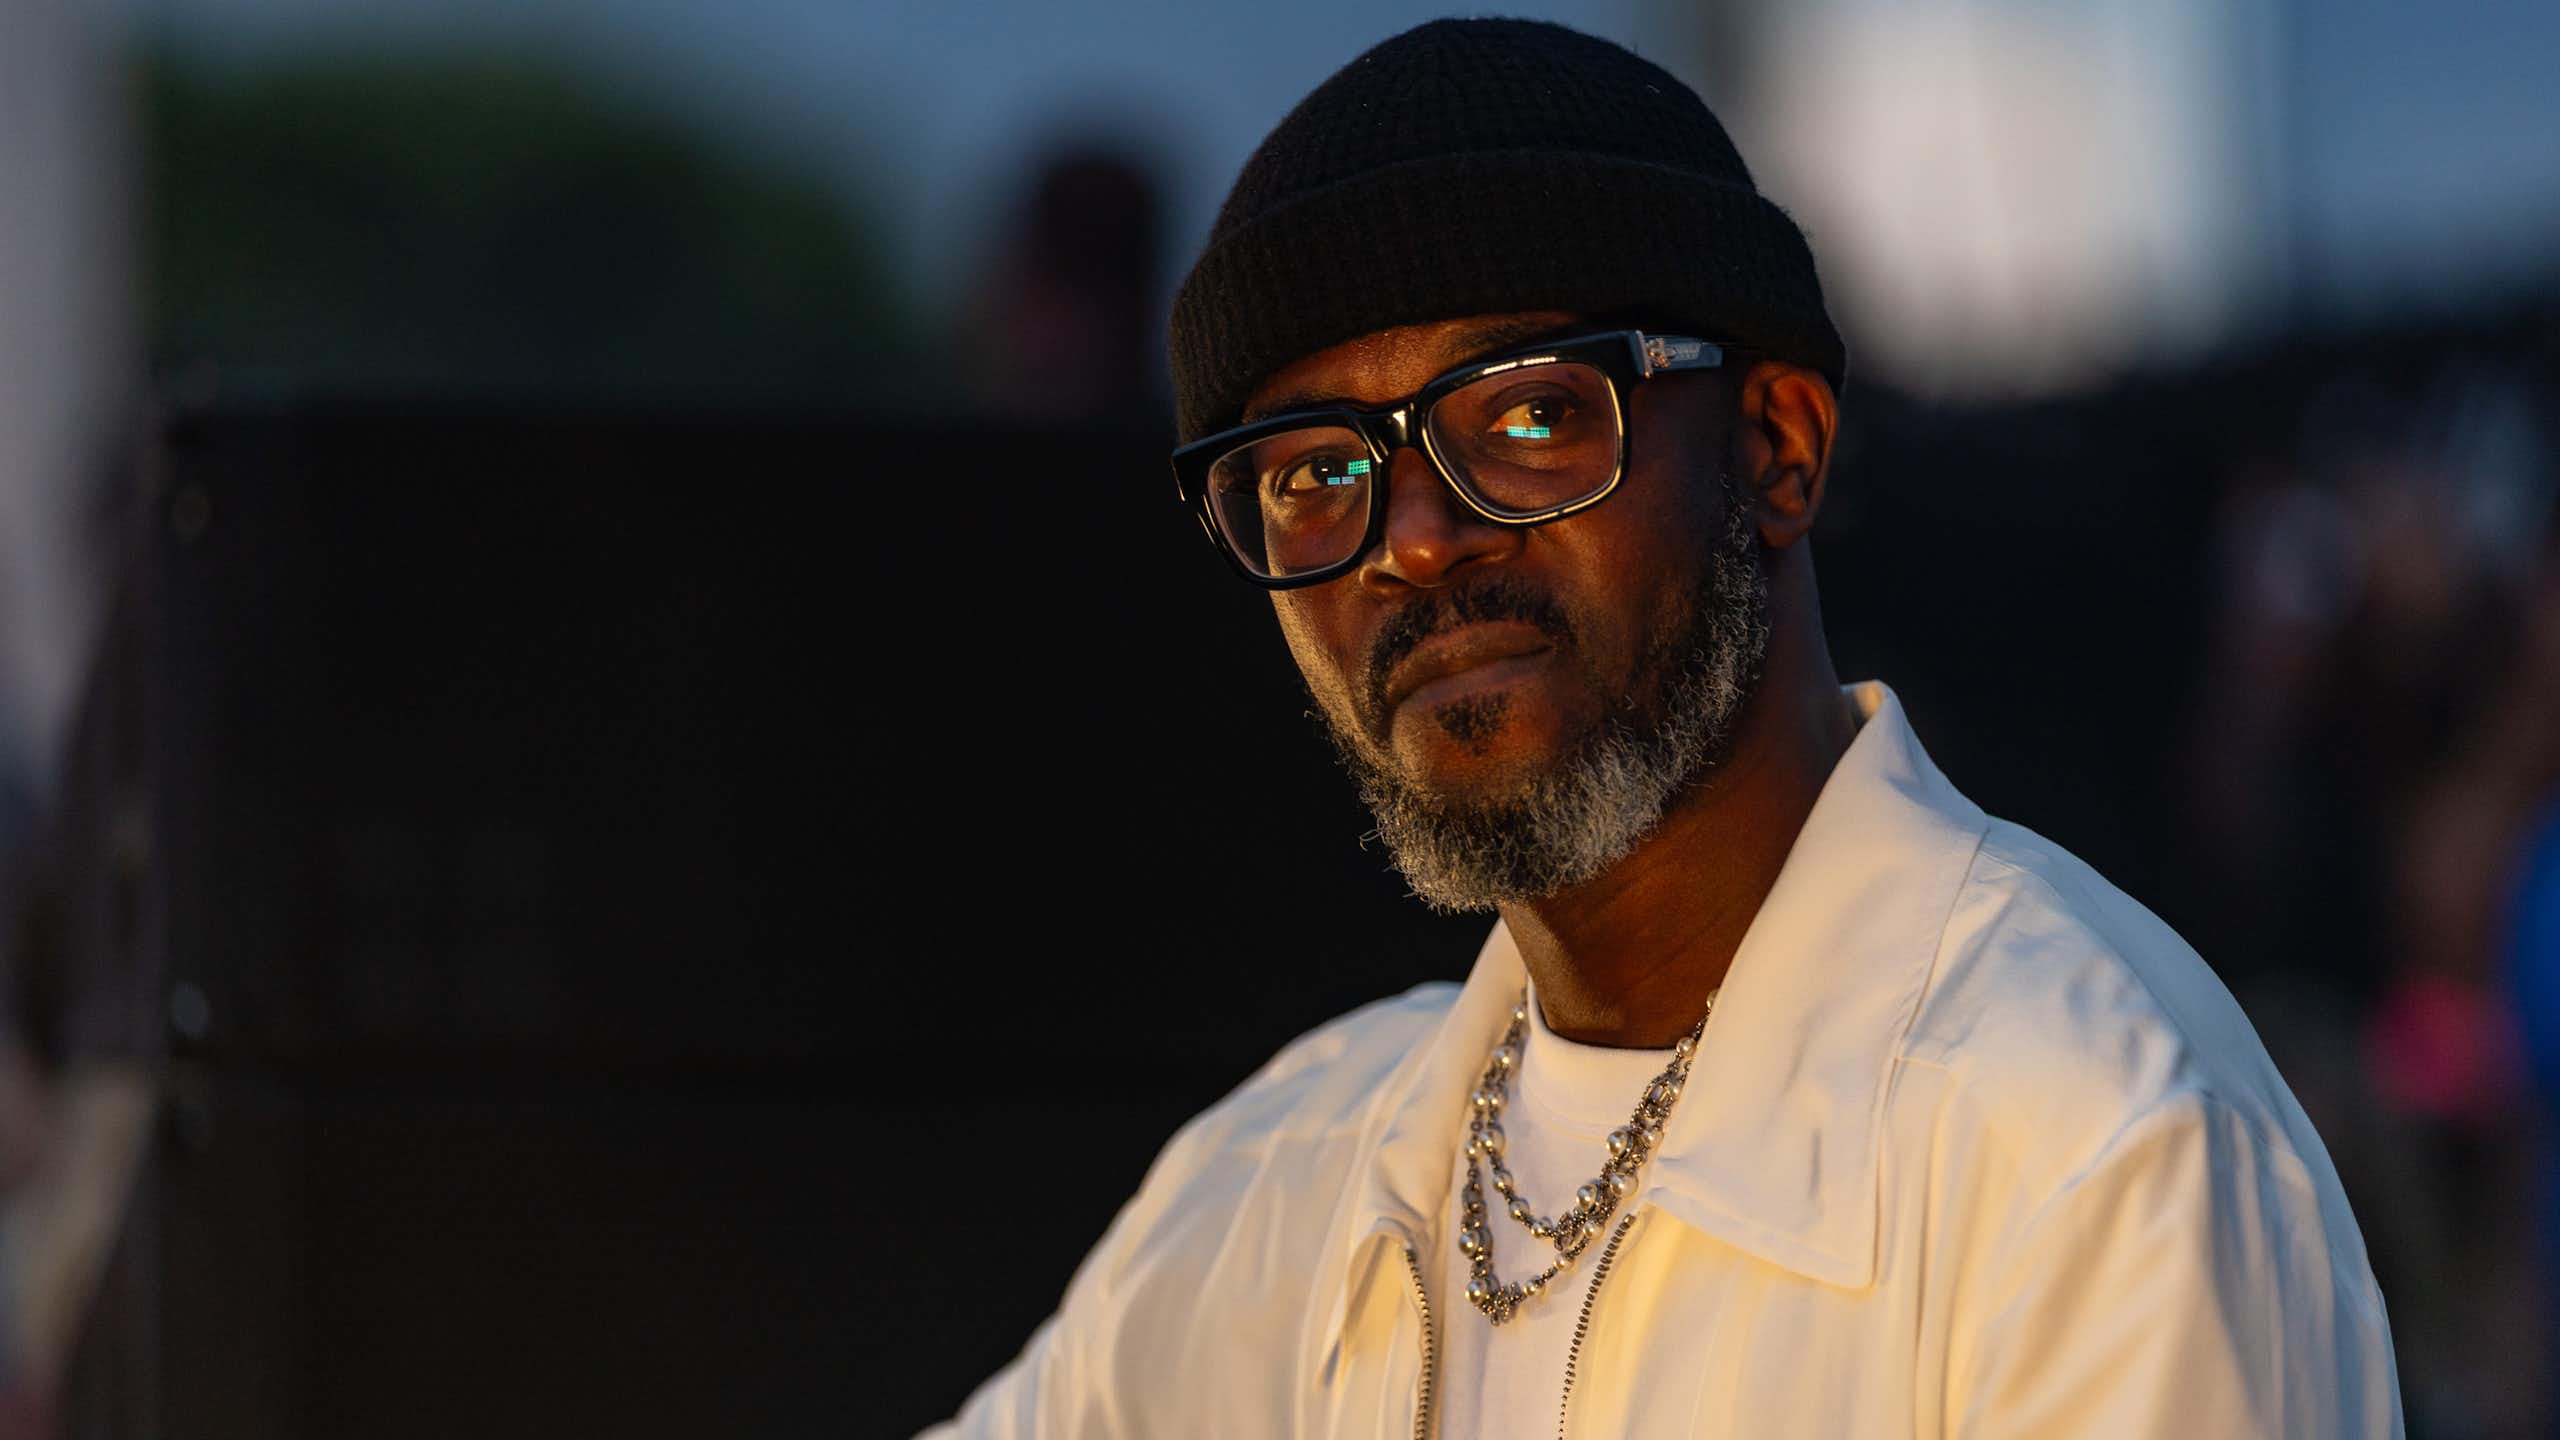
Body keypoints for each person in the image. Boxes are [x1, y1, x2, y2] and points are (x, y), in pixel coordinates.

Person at [923, 18, 2400, 1438]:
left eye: (1523, 418)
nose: (1414, 543)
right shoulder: (1290, 1182)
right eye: (1312, 475)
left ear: (1777, 448)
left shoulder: (2093, 1152)